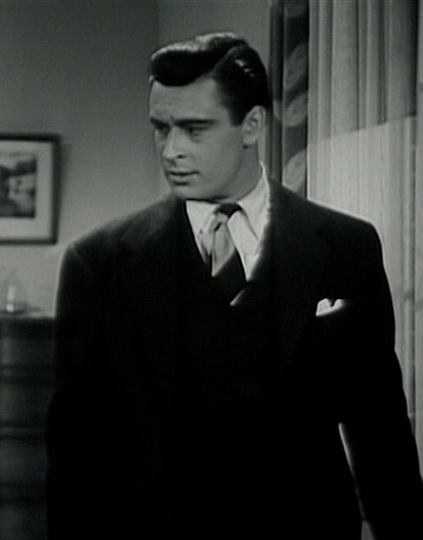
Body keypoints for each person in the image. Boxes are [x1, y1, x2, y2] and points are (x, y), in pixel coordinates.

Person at [46, 32, 423, 540]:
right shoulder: (98, 265)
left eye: (194, 129)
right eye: (161, 129)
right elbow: (74, 458)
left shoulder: (345, 246)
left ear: (252, 125)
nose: (172, 151)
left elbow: (380, 428)